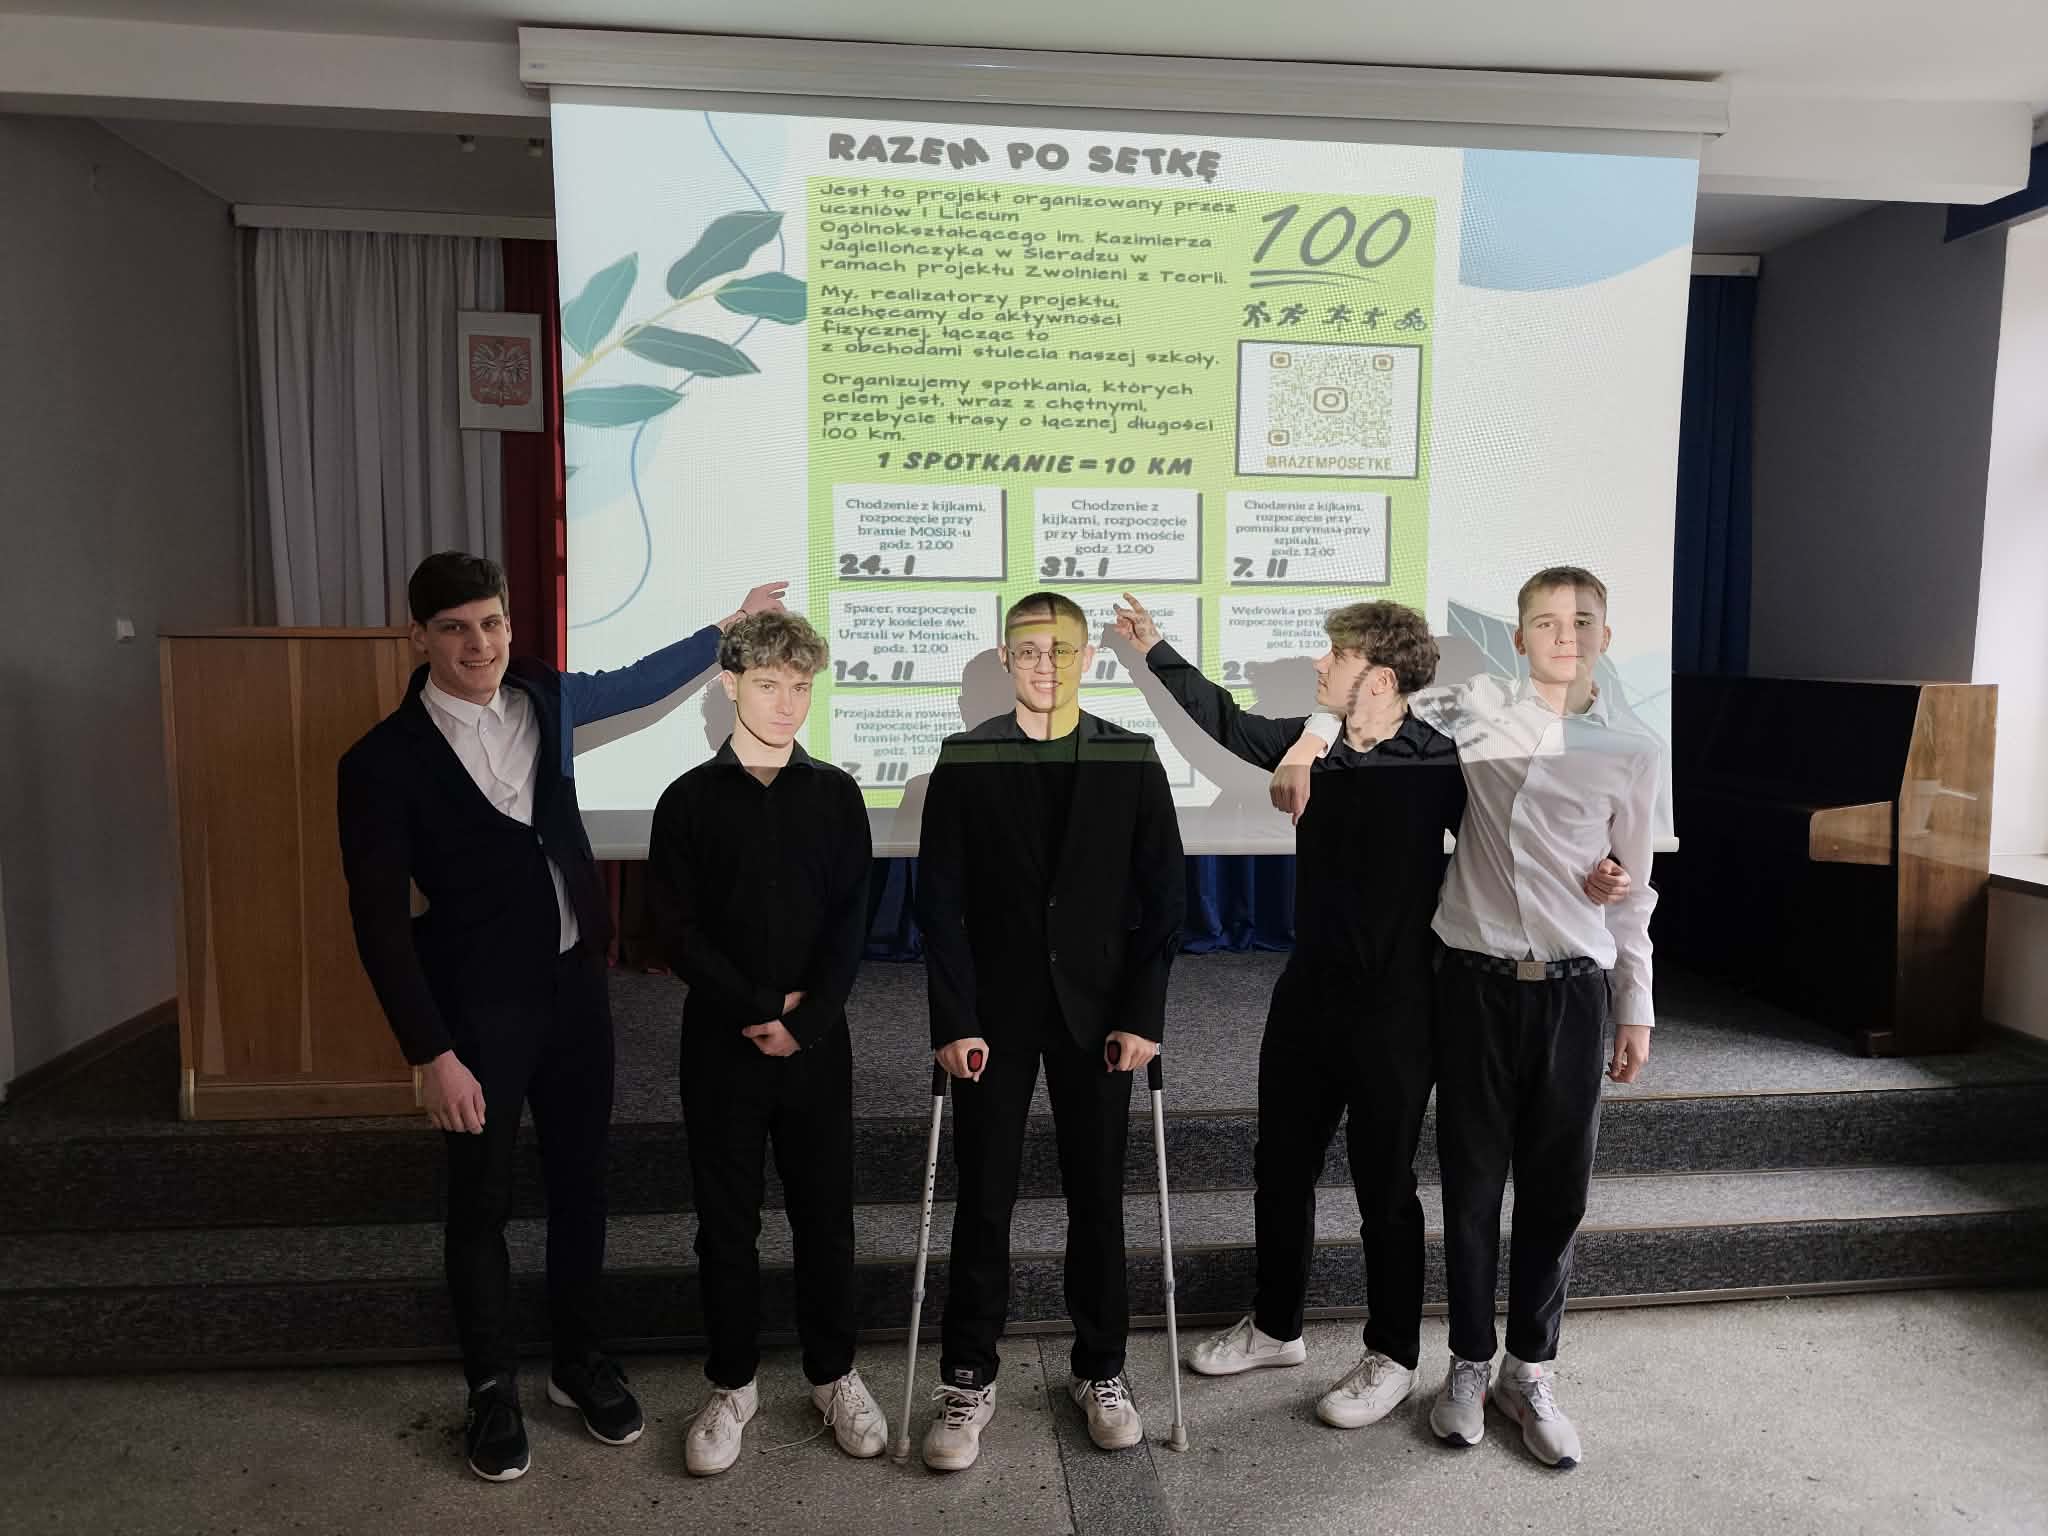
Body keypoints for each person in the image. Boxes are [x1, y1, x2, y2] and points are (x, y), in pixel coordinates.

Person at [1114, 593, 1627, 1432]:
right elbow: (1223, 719)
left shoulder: (1445, 757)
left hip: (1402, 1007)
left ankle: (1392, 1354)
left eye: (1338, 656)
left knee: (1384, 1185)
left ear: (1381, 677)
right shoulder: (1307, 745)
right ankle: (1275, 1326)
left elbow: (1519, 835)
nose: (1321, 666)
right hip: (1307, 995)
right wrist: (1155, 649)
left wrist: (1599, 870)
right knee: (1279, 1167)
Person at [337, 551, 786, 1483]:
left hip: (577, 990)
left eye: (492, 623)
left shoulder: (544, 695)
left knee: (583, 1186)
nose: (480, 644)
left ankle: (579, 1362)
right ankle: (491, 1389)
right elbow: (378, 927)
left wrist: (728, 629)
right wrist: (432, 1052)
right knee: (482, 1203)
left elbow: (637, 682)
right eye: (456, 628)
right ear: (418, 637)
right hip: (476, 1012)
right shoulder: (379, 762)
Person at [1273, 566, 1659, 1470]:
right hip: (1472, 986)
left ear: (1605, 636)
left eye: (1582, 621)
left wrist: (1635, 1005)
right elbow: (1369, 695)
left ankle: (1531, 1369)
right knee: (1472, 1184)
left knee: (1558, 1192)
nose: (1564, 636)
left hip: (1574, 990)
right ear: (1517, 638)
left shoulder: (1633, 750)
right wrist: (1306, 743)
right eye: (1544, 622)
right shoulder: (1473, 714)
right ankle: (1470, 1363)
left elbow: (1634, 888)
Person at [914, 591, 1186, 1471]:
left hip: (1100, 1016)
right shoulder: (966, 757)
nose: (1045, 664)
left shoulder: (1130, 755)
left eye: (1060, 649)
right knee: (984, 1196)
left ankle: (1101, 1368)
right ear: (1006, 658)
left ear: (1086, 658)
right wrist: (954, 1019)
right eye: (1028, 650)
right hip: (993, 1017)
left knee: (1097, 1196)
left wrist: (1142, 1015)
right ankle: (968, 1375)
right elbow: (939, 902)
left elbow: (1166, 900)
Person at [645, 610, 884, 1476]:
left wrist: (806, 1020)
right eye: (770, 684)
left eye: (800, 686)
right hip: (720, 1043)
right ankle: (732, 1383)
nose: (787, 703)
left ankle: (833, 1374)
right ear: (731, 685)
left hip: (819, 1044)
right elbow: (675, 930)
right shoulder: (686, 800)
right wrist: (756, 1006)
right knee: (725, 1223)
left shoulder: (838, 795)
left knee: (826, 1216)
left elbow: (852, 921)